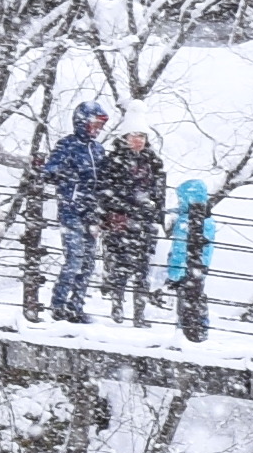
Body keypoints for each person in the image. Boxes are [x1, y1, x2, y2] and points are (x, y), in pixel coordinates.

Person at [42, 104, 116, 320]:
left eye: (100, 126)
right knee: (74, 259)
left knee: (88, 263)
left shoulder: (98, 149)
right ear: (82, 122)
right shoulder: (67, 145)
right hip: (71, 212)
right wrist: (64, 176)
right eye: (94, 124)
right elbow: (50, 171)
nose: (97, 129)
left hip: (92, 215)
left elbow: (105, 178)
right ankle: (58, 304)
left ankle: (76, 307)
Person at [93, 124, 165, 322]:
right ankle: (117, 306)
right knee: (121, 266)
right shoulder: (113, 162)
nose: (139, 140)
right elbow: (106, 191)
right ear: (125, 136)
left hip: (144, 221)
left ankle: (139, 313)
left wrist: (154, 209)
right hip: (121, 220)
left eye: (142, 135)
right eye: (135, 135)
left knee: (143, 268)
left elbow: (159, 193)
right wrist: (127, 207)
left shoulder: (153, 162)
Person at [161, 174, 219, 339]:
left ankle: (186, 330)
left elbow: (180, 249)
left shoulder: (186, 221)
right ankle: (199, 327)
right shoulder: (208, 220)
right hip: (200, 267)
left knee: (185, 301)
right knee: (196, 296)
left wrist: (174, 274)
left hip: (185, 268)